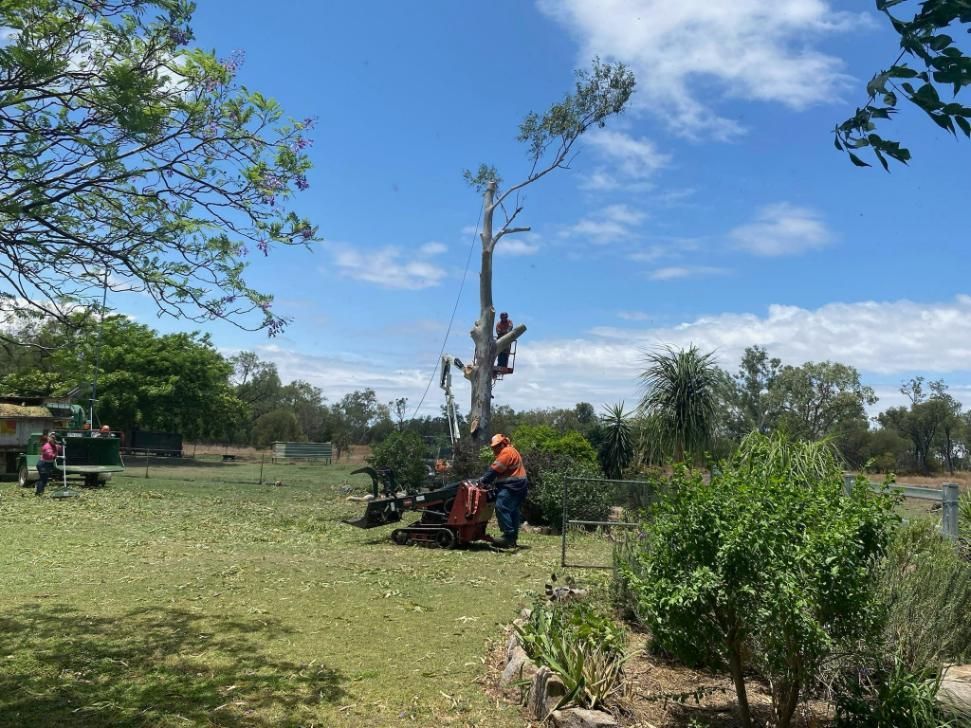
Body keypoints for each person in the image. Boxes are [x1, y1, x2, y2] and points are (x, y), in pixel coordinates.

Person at [479, 433, 528, 548]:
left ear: (503, 443)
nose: (495, 449)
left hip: (512, 485)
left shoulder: (506, 452)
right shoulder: (512, 450)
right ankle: (512, 539)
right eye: (494, 447)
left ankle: (508, 536)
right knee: (513, 511)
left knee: (501, 506)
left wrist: (482, 481)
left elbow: (494, 471)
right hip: (520, 485)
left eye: (497, 446)